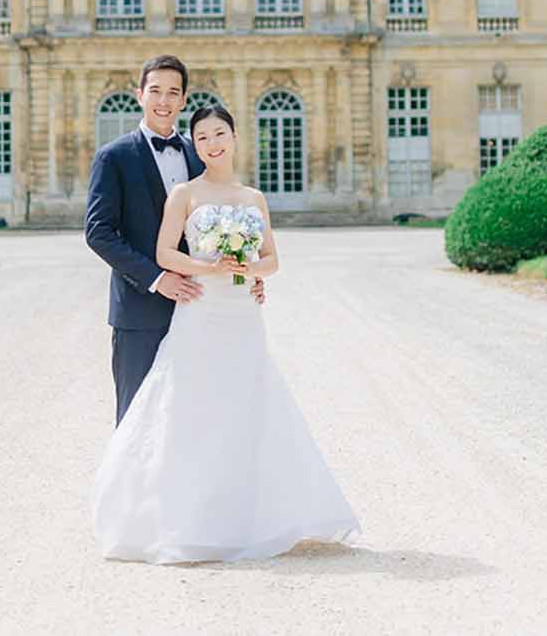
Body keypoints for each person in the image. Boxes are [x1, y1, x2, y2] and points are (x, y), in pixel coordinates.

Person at [90, 102, 359, 563]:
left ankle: (251, 515)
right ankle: (185, 517)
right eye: (202, 139)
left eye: (218, 135)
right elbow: (164, 253)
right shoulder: (185, 194)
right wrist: (208, 267)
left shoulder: (254, 198)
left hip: (242, 315)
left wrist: (252, 270)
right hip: (201, 309)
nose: (211, 145)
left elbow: (273, 259)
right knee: (194, 407)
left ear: (234, 137)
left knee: (249, 405)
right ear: (196, 147)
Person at [84, 55, 263, 424]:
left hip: (202, 307)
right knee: (137, 416)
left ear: (183, 100)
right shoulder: (113, 157)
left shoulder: (200, 154)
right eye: (155, 91)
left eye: (173, 93)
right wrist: (156, 278)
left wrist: (248, 276)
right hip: (140, 311)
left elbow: (227, 222)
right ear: (139, 95)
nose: (163, 101)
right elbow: (99, 233)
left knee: (197, 415)